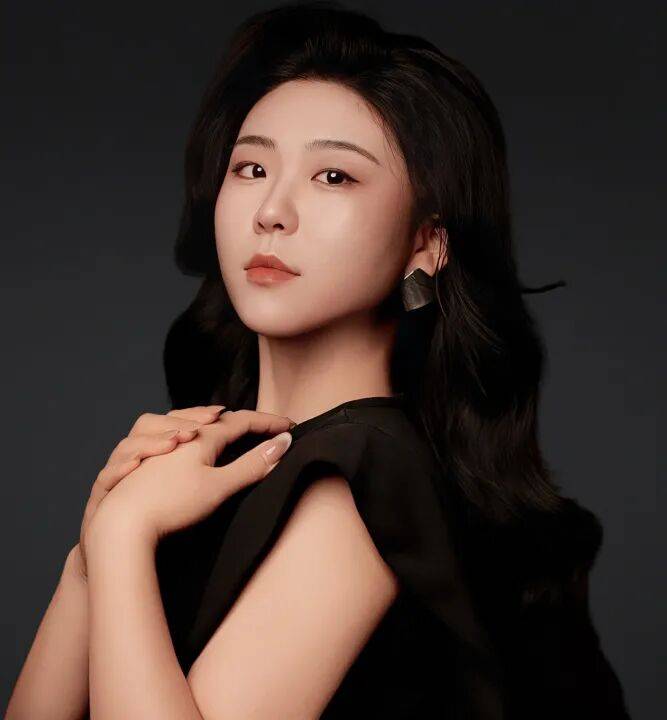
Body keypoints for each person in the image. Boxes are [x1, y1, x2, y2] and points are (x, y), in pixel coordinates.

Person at [6, 2, 632, 718]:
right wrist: (91, 559)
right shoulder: (216, 470)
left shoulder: (361, 474)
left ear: (426, 243)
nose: (271, 210)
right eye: (250, 167)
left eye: (334, 176)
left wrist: (121, 539)